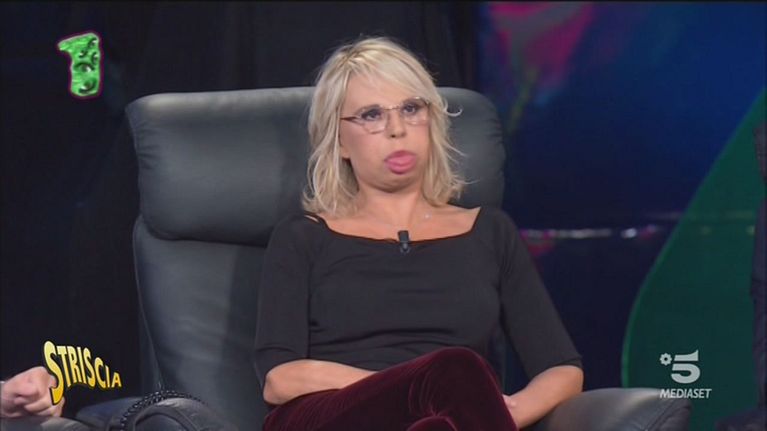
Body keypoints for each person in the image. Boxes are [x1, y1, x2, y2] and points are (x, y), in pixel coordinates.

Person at [254, 36, 583, 431]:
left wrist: (503, 410)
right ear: (339, 141)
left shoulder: (491, 232)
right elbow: (280, 379)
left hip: (452, 414)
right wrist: (420, 387)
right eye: (371, 115)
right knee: (454, 370)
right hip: (329, 417)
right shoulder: (302, 238)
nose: (397, 129)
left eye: (411, 109)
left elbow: (562, 368)